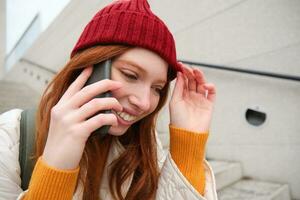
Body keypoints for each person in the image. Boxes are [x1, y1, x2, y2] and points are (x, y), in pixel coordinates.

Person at [0, 0, 218, 199]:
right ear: (90, 66)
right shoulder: (11, 135)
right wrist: (56, 167)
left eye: (157, 88)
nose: (144, 102)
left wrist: (188, 146)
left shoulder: (145, 146)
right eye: (131, 75)